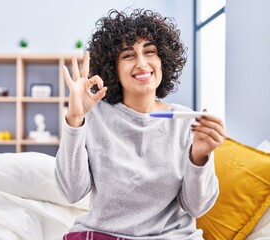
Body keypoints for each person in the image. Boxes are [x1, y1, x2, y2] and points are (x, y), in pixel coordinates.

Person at [55, 8, 227, 240]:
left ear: (163, 60)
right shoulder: (93, 116)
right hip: (104, 234)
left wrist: (199, 157)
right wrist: (75, 120)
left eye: (150, 52)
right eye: (128, 55)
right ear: (113, 67)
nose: (142, 63)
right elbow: (72, 192)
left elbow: (196, 207)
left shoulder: (188, 122)